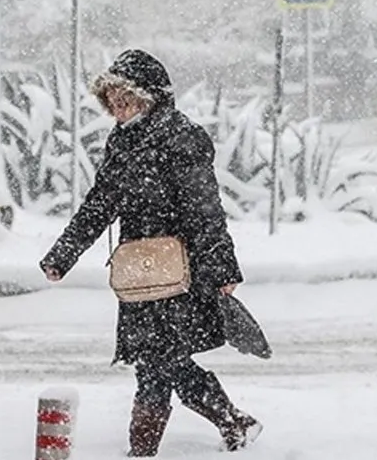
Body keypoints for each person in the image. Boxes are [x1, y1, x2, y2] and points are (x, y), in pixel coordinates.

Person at [39, 49, 262, 456]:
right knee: (159, 360)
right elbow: (100, 203)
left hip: (182, 270)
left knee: (159, 361)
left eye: (127, 100)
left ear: (150, 97)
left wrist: (222, 268)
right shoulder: (121, 141)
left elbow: (205, 210)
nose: (119, 110)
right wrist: (62, 255)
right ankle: (231, 422)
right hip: (140, 272)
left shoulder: (182, 137)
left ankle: (145, 450)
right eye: (113, 102)